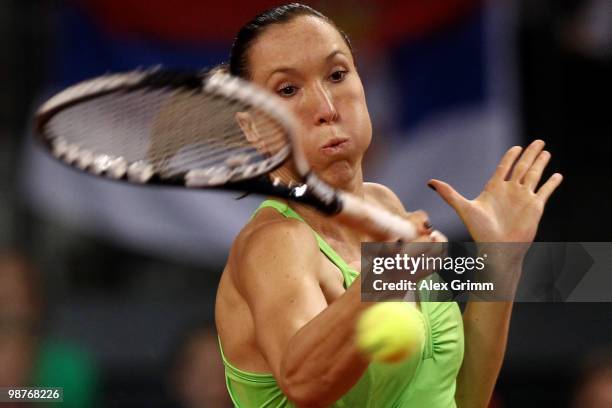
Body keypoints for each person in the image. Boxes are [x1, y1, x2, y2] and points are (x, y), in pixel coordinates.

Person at [215, 3, 562, 407]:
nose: (327, 108)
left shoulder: (387, 208)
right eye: (288, 90)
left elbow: (462, 398)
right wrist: (383, 280)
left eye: (337, 74)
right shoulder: (276, 242)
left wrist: (501, 260)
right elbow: (306, 383)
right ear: (254, 127)